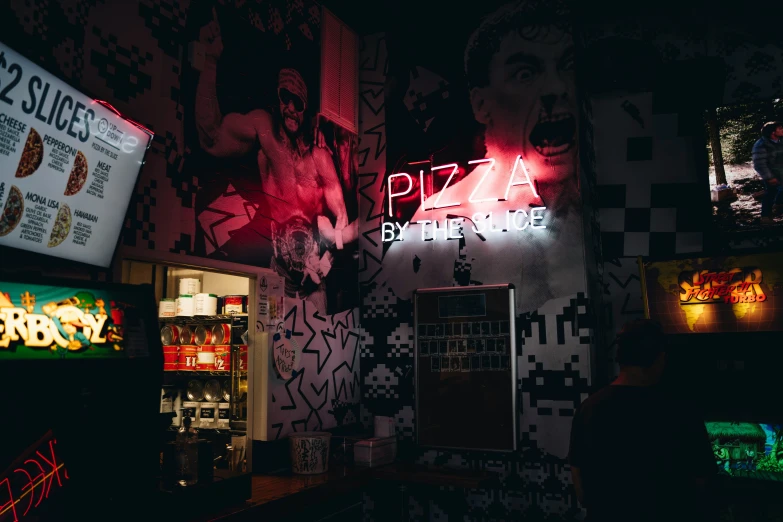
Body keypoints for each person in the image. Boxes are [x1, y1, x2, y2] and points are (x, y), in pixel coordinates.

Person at [380, 0, 584, 315]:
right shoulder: (437, 216)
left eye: (567, 66)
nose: (557, 88)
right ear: (481, 104)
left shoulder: (599, 209)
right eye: (526, 74)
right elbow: (392, 305)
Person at [194, 10, 357, 313]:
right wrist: (211, 61)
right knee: (269, 348)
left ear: (305, 108)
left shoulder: (320, 159)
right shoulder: (264, 132)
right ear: (278, 99)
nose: (292, 108)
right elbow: (211, 140)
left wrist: (323, 265)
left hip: (314, 281)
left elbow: (342, 222)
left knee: (316, 351)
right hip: (275, 271)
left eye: (299, 102)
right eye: (286, 98)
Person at [569, 319, 716, 522]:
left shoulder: (590, 407)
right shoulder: (680, 410)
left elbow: (578, 477)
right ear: (660, 358)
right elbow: (702, 478)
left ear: (620, 358)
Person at [751, 121, 783, 225]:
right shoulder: (761, 144)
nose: (782, 130)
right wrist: (769, 177)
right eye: (780, 128)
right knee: (770, 193)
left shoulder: (779, 141)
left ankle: (778, 205)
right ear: (773, 132)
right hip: (771, 174)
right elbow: (759, 163)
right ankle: (765, 217)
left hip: (781, 172)